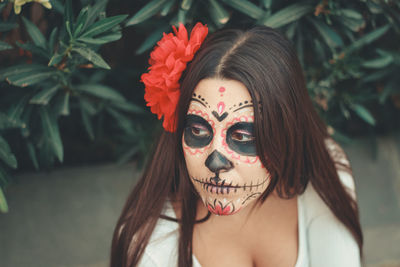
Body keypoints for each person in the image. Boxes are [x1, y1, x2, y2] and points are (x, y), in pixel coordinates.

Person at [110, 23, 363, 267]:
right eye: (198, 130)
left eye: (243, 136)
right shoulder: (149, 247)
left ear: (286, 130)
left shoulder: (325, 177)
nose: (215, 160)